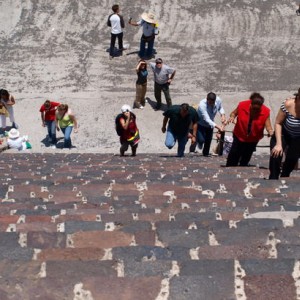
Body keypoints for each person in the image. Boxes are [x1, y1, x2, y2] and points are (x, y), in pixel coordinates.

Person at [226, 93, 273, 166]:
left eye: (258, 109)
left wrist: (270, 131)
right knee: (234, 154)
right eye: (254, 108)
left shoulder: (266, 111)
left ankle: (242, 169)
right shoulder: (242, 105)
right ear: (251, 104)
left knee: (246, 156)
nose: (255, 111)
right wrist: (232, 117)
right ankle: (229, 168)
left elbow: (268, 126)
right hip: (239, 135)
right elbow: (233, 113)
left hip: (253, 139)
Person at [269, 89, 300, 179]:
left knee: (292, 159)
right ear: (298, 98)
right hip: (283, 133)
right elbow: (278, 123)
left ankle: (284, 176)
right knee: (276, 153)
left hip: (297, 137)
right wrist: (279, 144)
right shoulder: (288, 104)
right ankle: (273, 178)